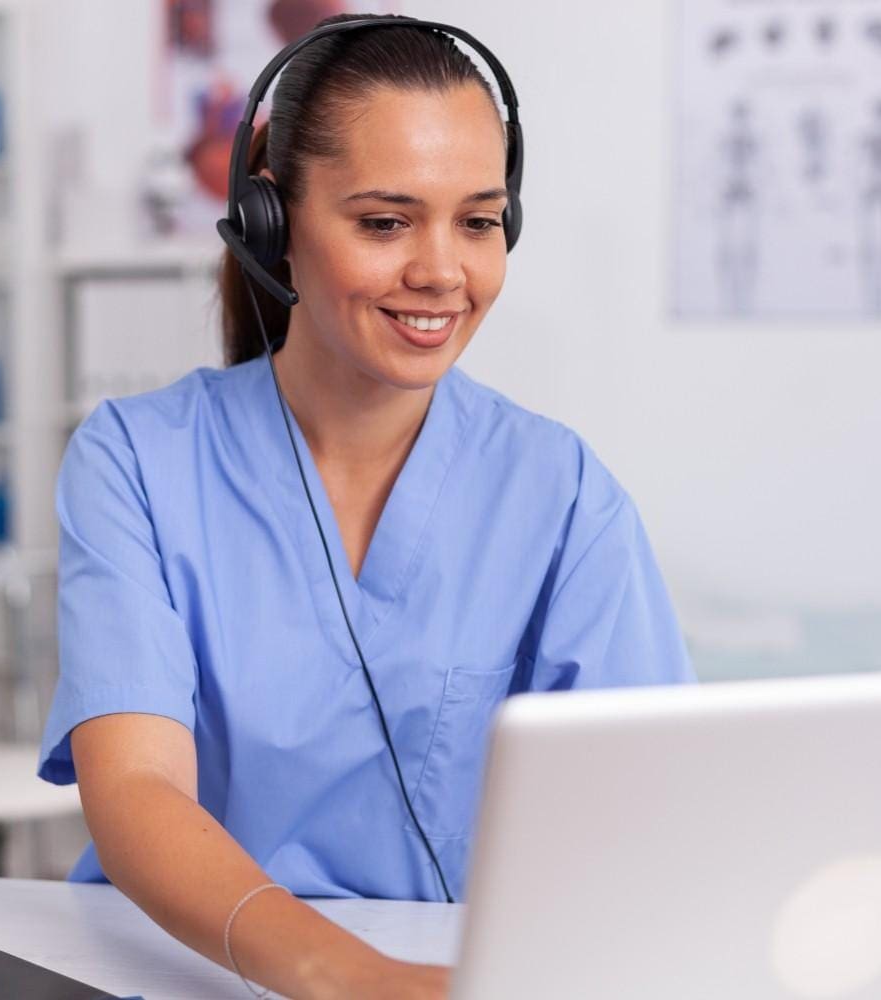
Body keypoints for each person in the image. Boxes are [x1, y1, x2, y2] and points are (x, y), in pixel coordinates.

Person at [39, 15, 694, 999]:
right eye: (386, 222)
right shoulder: (136, 460)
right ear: (272, 226)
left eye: (478, 220)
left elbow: (649, 807)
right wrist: (346, 976)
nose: (441, 271)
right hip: (190, 968)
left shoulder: (560, 492)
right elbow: (135, 788)